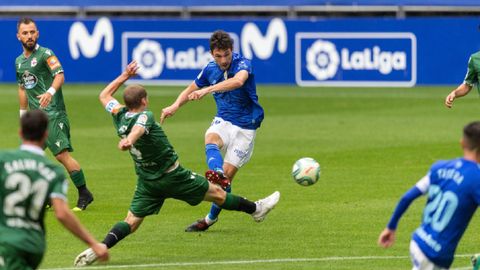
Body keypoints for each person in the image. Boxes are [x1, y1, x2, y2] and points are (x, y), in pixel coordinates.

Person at [73, 61, 279, 267]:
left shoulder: (118, 114)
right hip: (173, 176)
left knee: (131, 222)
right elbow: (140, 127)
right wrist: (130, 140)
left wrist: (124, 76)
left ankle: (99, 248)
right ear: (144, 100)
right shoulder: (146, 115)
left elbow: (104, 96)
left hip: (147, 181)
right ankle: (256, 209)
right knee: (218, 194)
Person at [161, 30, 264, 232]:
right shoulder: (209, 69)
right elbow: (190, 89)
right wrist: (174, 106)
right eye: (218, 56)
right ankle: (216, 172)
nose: (223, 60)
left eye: (226, 54)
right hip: (225, 119)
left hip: (246, 125)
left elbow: (238, 81)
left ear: (232, 51)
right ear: (212, 54)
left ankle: (209, 219)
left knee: (224, 184)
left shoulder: (243, 63)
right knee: (211, 137)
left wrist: (208, 89)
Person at [0, 110, 108, 269]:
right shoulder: (54, 171)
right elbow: (62, 213)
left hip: (7, 242)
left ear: (20, 132)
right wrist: (94, 243)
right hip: (34, 244)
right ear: (46, 135)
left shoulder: (4, 160)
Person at [378, 121, 480, 270]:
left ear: (462, 143)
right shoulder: (476, 179)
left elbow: (407, 197)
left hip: (418, 241)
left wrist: (390, 227)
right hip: (435, 254)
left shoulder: (439, 167)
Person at [15, 17, 93, 211]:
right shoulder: (18, 62)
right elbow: (23, 89)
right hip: (36, 118)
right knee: (31, 158)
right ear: (18, 36)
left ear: (37, 33)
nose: (29, 36)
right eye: (25, 33)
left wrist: (50, 93)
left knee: (61, 155)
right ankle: (46, 197)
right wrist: (23, 115)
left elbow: (60, 75)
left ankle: (84, 193)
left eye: (32, 32)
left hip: (53, 113)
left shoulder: (45, 54)